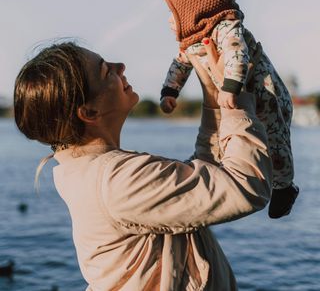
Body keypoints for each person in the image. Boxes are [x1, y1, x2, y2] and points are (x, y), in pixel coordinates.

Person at [14, 41, 272, 290]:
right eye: (106, 71)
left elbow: (208, 175)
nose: (121, 66)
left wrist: (215, 94)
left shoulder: (93, 173)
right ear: (89, 113)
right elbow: (246, 185)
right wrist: (235, 101)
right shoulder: (116, 180)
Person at [160, 0, 299, 219]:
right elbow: (180, 64)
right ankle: (231, 174)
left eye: (174, 13)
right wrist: (170, 91)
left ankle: (284, 187)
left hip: (265, 96)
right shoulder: (191, 41)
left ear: (196, 9)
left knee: (276, 141)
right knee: (231, 141)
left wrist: (231, 85)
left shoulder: (225, 28)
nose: (170, 21)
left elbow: (238, 52)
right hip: (234, 101)